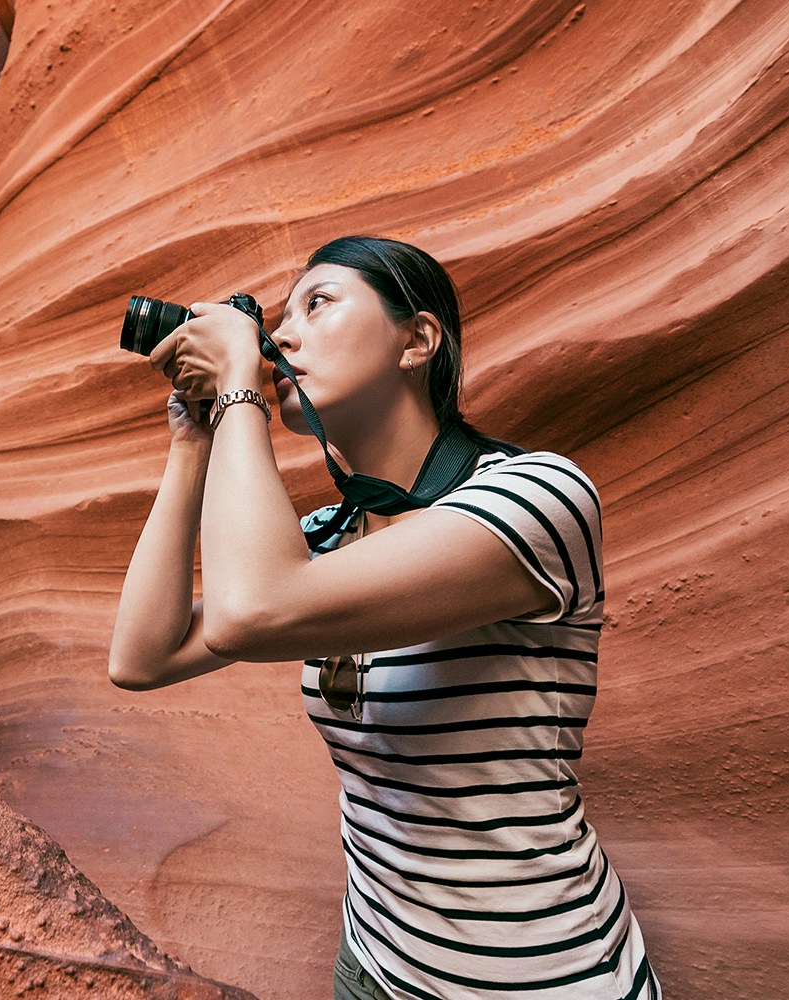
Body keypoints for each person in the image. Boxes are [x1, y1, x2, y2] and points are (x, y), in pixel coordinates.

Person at [108, 236, 659, 1000]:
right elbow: (141, 657)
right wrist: (191, 440)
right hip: (372, 959)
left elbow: (252, 610)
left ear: (418, 340)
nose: (281, 336)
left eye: (318, 302)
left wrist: (239, 382)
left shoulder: (538, 497)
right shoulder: (329, 536)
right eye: (275, 320)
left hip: (534, 976)